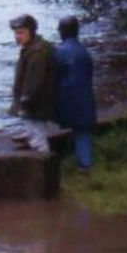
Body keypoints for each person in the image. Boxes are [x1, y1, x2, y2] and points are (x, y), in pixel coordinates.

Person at [9, 14, 57, 152]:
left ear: (31, 31)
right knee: (33, 126)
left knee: (38, 134)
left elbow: (34, 80)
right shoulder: (34, 47)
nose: (18, 36)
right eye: (16, 33)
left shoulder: (37, 52)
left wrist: (26, 98)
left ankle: (43, 160)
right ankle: (32, 139)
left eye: (22, 32)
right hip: (38, 98)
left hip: (38, 100)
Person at [53, 16, 97, 172]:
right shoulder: (84, 51)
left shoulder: (59, 52)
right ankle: (84, 163)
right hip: (85, 97)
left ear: (63, 31)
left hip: (67, 98)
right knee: (82, 131)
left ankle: (62, 162)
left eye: (59, 29)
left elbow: (53, 76)